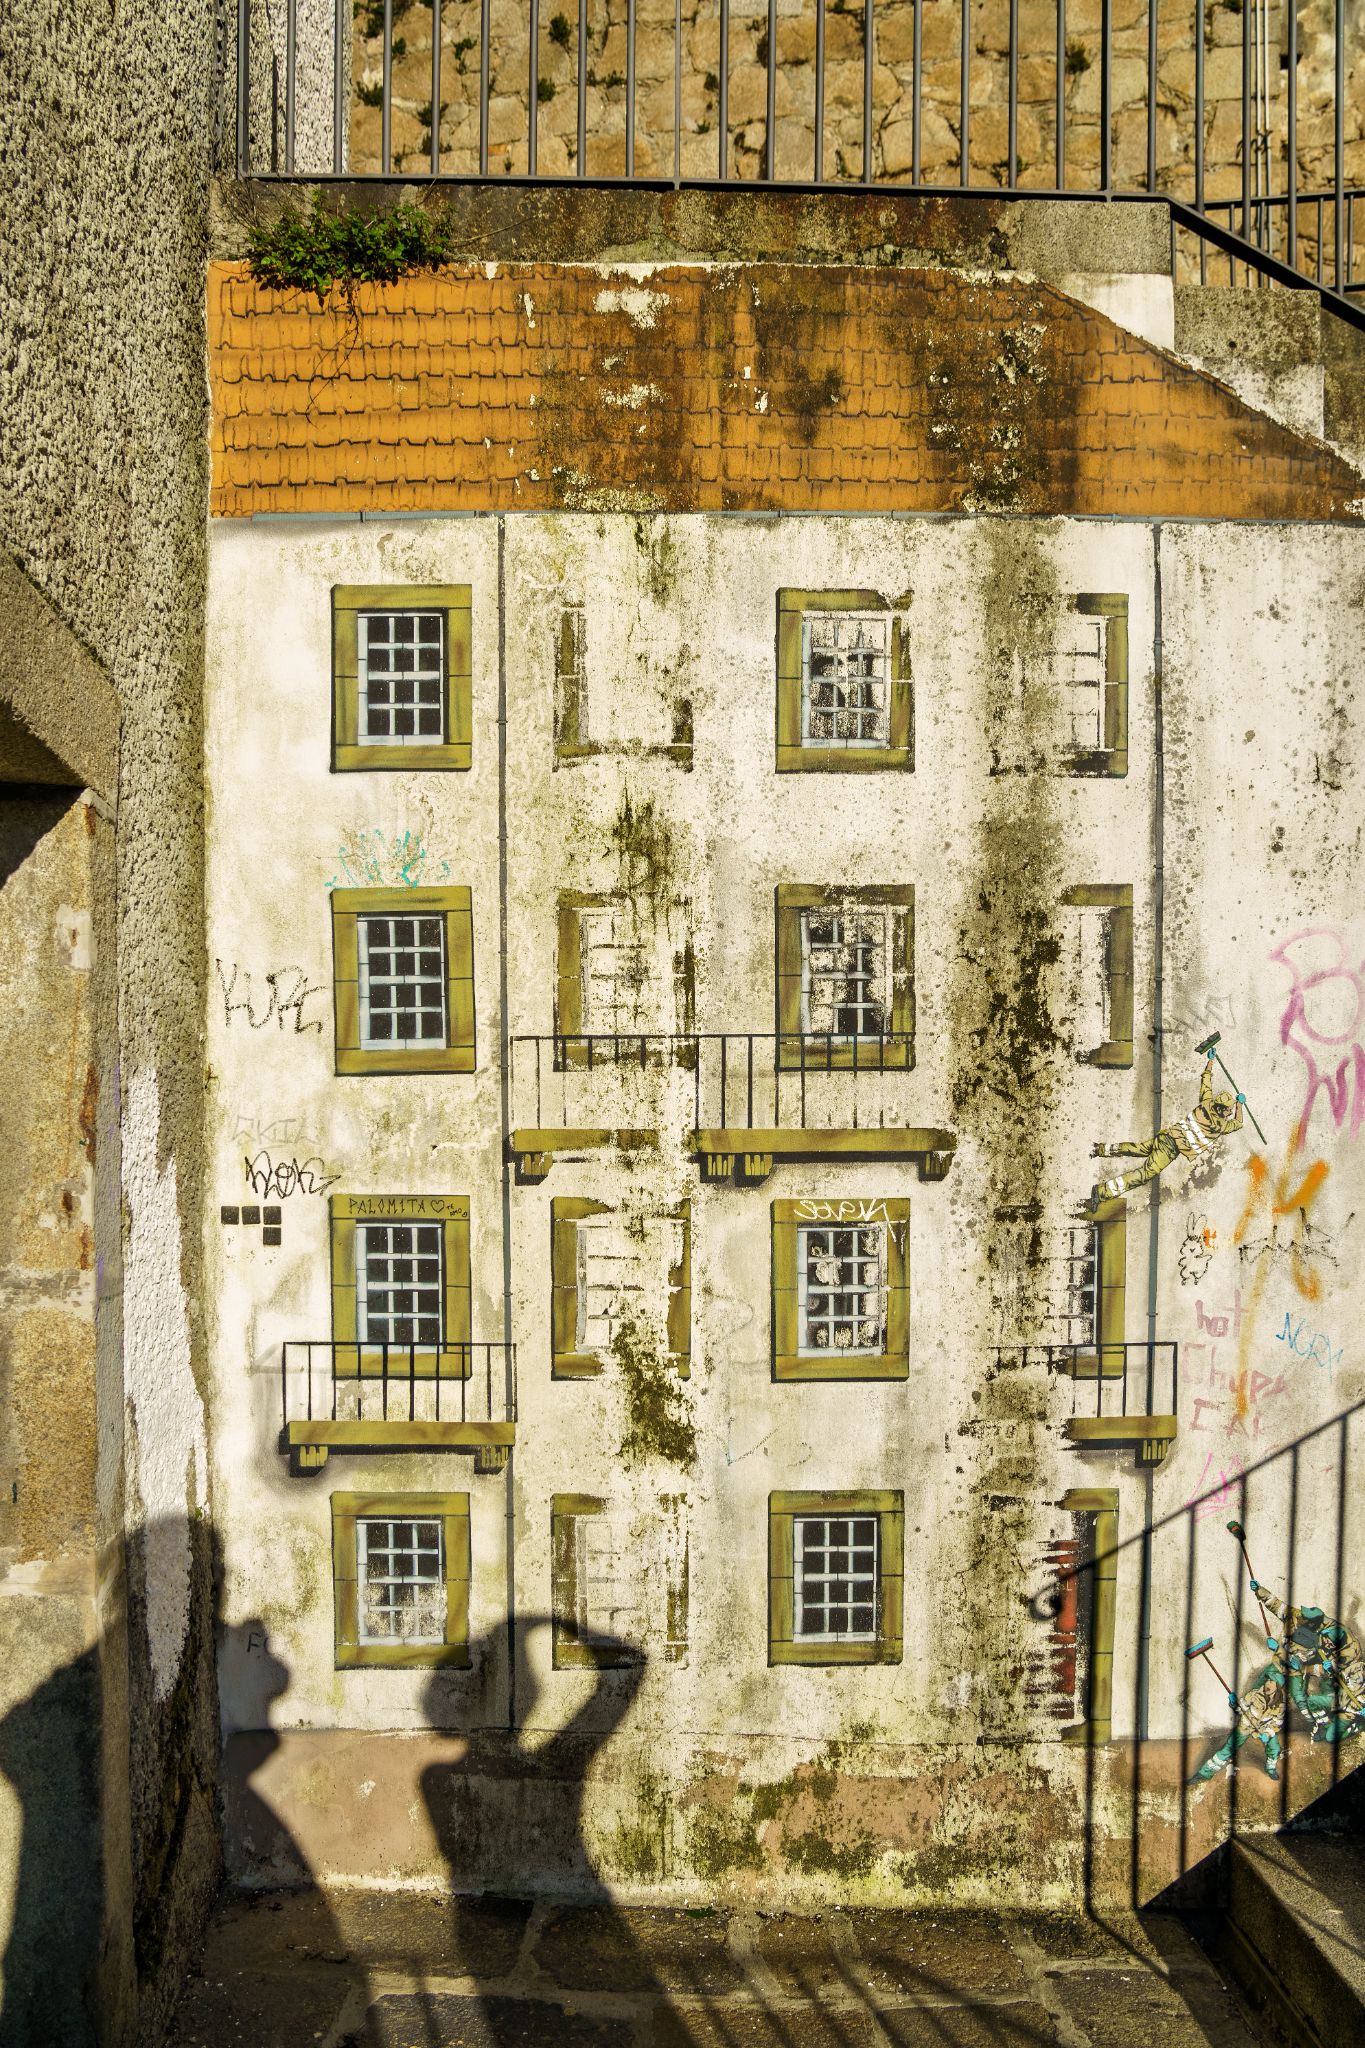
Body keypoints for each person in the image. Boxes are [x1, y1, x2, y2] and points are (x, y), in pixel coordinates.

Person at [1093, 1055, 1244, 1203]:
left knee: (1137, 1149)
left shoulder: (1206, 1103)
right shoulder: (1220, 1126)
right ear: (1222, 1110)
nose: (1230, 1112)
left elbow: (1206, 1080)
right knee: (1144, 1175)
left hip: (1166, 1137)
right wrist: (1240, 1105)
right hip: (1170, 1150)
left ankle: (1100, 1149)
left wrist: (1211, 1061)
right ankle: (1101, 1192)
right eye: (1229, 1109)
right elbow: (1238, 1123)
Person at [1190, 1663, 1286, 1783]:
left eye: (1272, 1682)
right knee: (1228, 1748)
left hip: (1264, 1730)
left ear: (1277, 1687)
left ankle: (1270, 1768)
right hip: (1246, 1727)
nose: (1268, 1684)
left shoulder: (1280, 1705)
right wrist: (1234, 1704)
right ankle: (1203, 1774)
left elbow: (1277, 1724)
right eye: (1268, 1681)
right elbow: (1240, 1710)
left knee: (1274, 1748)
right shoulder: (1254, 1694)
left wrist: (1268, 1734)